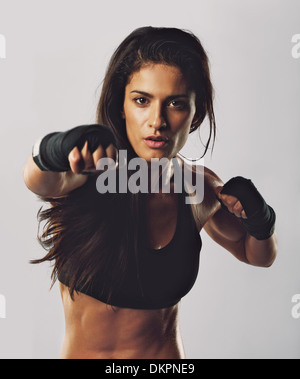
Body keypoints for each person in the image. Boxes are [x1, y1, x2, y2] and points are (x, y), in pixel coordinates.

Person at [23, 26, 277, 359]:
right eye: (142, 100)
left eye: (175, 103)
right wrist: (55, 149)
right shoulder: (89, 172)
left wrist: (260, 219)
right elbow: (37, 179)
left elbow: (257, 255)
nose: (157, 121)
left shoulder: (199, 188)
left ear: (195, 114)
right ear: (121, 107)